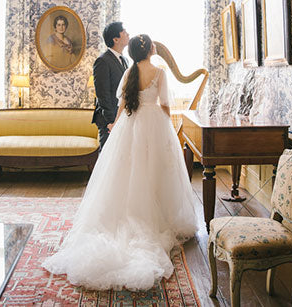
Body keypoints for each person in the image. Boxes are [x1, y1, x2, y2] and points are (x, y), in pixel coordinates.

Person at [43, 34, 200, 291]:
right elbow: (165, 105)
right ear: (150, 49)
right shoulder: (160, 73)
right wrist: (169, 128)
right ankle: (157, 215)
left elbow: (123, 104)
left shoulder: (129, 72)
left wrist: (117, 124)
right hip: (154, 124)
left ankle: (126, 212)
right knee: (156, 170)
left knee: (126, 171)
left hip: (131, 123)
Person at [91, 22, 129, 149]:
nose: (128, 34)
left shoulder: (125, 60)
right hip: (108, 119)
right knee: (107, 156)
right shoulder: (102, 61)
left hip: (120, 116)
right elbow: (102, 94)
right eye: (124, 32)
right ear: (116, 39)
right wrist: (112, 121)